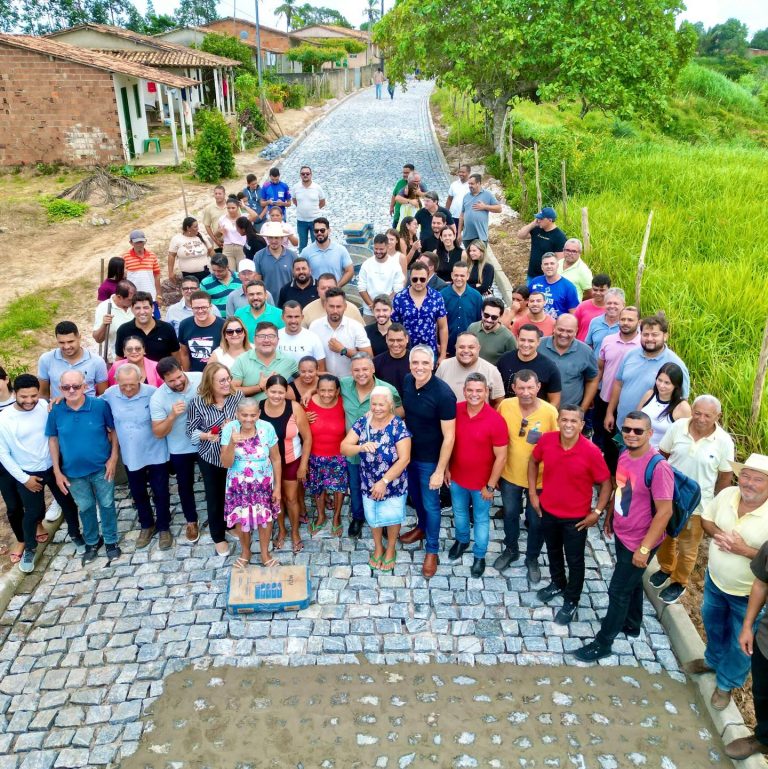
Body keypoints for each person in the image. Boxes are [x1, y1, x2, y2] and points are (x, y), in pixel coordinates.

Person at [574, 411, 674, 663]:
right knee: (633, 582)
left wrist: (644, 549)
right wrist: (610, 515)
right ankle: (631, 623)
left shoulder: (658, 467)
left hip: (640, 540)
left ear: (650, 434)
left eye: (638, 431)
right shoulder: (624, 453)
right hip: (623, 531)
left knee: (618, 590)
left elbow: (665, 512)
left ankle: (603, 643)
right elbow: (622, 487)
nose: (631, 434)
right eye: (627, 429)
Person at [691, 454, 768, 711]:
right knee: (713, 625)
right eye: (745, 475)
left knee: (741, 644)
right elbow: (707, 519)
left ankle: (725, 684)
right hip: (715, 581)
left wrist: (743, 550)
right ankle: (712, 660)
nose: (748, 483)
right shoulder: (728, 495)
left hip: (748, 595)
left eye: (758, 479)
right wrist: (719, 534)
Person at [529, 405, 612, 624]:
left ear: (582, 425)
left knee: (575, 560)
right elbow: (533, 461)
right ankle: (557, 582)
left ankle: (572, 599)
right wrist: (533, 493)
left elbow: (606, 484)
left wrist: (597, 512)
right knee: (553, 551)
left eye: (573, 421)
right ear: (558, 421)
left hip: (576, 519)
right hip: (548, 511)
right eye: (564, 420)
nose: (568, 424)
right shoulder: (547, 440)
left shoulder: (591, 452)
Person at [651, 395, 734, 604]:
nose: (701, 419)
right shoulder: (678, 427)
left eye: (707, 415)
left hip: (698, 505)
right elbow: (663, 455)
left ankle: (679, 582)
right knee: (665, 537)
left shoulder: (724, 442)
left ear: (717, 416)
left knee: (688, 547)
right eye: (697, 413)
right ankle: (665, 568)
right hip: (670, 497)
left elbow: (725, 477)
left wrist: (716, 507)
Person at [0, 374, 84, 573]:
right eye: (24, 397)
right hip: (29, 474)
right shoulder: (4, 419)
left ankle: (75, 534)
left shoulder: (44, 406)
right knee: (33, 512)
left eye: (33, 396)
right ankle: (30, 548)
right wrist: (24, 479)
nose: (29, 401)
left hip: (53, 467)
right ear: (15, 393)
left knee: (68, 503)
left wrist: (62, 398)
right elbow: (3, 454)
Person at [47, 370, 120, 563]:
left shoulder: (100, 406)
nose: (71, 390)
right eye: (66, 387)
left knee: (107, 504)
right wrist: (57, 471)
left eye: (76, 386)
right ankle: (92, 541)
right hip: (73, 472)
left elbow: (113, 431)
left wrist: (113, 458)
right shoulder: (55, 410)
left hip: (101, 467)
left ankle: (111, 540)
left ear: (85, 386)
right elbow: (53, 440)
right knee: (85, 507)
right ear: (60, 388)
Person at [399, 345, 457, 578]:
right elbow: (406, 411)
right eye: (415, 362)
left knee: (432, 505)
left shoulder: (444, 394)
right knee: (416, 498)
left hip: (430, 460)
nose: (419, 367)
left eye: (425, 363)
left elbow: (449, 436)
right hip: (408, 455)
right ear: (410, 364)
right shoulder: (407, 381)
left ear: (433, 364)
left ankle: (432, 550)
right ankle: (421, 528)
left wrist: (440, 470)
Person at [495, 370, 558, 580]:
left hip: (539, 479)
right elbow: (496, 436)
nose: (526, 392)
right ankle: (511, 549)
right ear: (513, 388)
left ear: (538, 387)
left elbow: (557, 445)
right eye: (521, 388)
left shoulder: (549, 412)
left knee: (536, 520)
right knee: (510, 514)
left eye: (530, 387)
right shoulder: (505, 406)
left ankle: (532, 558)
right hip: (510, 474)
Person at [102, 365, 173, 550]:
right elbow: (93, 405)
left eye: (132, 385)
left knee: (161, 491)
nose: (127, 389)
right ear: (117, 381)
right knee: (138, 492)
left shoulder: (153, 392)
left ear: (140, 379)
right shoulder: (110, 394)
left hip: (156, 450)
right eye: (123, 385)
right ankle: (147, 524)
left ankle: (164, 526)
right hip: (131, 453)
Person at [342, 386, 411, 571]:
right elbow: (344, 447)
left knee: (393, 517)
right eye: (374, 404)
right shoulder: (363, 422)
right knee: (373, 517)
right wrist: (360, 447)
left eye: (382, 404)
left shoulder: (397, 425)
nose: (377, 408)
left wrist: (384, 482)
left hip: (393, 483)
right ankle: (378, 547)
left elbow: (405, 459)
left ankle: (391, 548)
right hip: (369, 482)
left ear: (390, 405)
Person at [447, 372, 508, 577]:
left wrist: (490, 485)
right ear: (464, 391)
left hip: (482, 484)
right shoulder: (455, 411)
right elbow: (448, 441)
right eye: (470, 390)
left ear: (486, 392)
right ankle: (462, 540)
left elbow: (501, 457)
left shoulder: (496, 420)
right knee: (459, 512)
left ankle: (479, 555)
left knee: (481, 519)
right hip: (457, 478)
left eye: (479, 391)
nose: (474, 394)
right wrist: (446, 468)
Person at [339, 353, 402, 538]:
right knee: (355, 485)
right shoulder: (343, 385)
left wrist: (382, 413)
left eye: (365, 369)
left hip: (379, 452)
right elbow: (321, 384)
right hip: (353, 448)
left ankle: (384, 521)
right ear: (351, 372)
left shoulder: (387, 389)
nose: (361, 373)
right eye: (356, 370)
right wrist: (309, 393)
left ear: (373, 369)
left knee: (381, 484)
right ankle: (358, 517)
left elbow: (401, 410)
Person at [187, 362, 243, 557]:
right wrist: (208, 435)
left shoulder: (237, 397)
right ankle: (218, 536)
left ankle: (231, 525)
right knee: (215, 497)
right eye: (222, 381)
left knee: (233, 493)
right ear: (210, 382)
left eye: (228, 379)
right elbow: (190, 432)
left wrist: (235, 425)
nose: (227, 383)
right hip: (210, 457)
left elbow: (246, 420)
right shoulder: (197, 403)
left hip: (234, 454)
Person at [604, 313, 690, 439]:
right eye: (645, 334)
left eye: (655, 335)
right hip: (622, 424)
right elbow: (619, 384)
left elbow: (682, 399)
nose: (649, 338)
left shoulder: (676, 365)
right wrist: (610, 412)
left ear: (665, 336)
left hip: (650, 436)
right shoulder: (630, 355)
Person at [221, 397, 282, 568]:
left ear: (259, 414)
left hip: (263, 484)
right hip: (238, 485)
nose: (249, 419)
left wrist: (277, 487)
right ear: (237, 414)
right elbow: (226, 463)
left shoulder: (267, 428)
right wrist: (232, 443)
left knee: (265, 518)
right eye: (244, 415)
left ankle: (265, 553)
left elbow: (276, 459)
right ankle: (245, 552)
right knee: (240, 518)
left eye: (253, 415)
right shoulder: (229, 429)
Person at [150, 357, 202, 544]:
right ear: (163, 379)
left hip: (205, 441)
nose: (178, 382)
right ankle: (191, 521)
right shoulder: (158, 398)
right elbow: (158, 432)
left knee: (214, 481)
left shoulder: (200, 378)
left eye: (179, 377)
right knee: (184, 485)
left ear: (182, 368)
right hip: (180, 447)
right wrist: (172, 416)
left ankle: (222, 518)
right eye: (171, 381)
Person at [724, 541, 768, 760]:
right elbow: (761, 584)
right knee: (762, 693)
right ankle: (764, 739)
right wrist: (747, 626)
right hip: (766, 642)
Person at [259, 375, 311, 553]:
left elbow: (307, 438)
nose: (276, 396)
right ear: (266, 391)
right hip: (268, 464)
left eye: (281, 392)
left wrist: (303, 465)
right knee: (276, 498)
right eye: (273, 391)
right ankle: (282, 530)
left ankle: (295, 532)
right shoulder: (259, 408)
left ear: (286, 392)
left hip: (291, 460)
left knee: (291, 498)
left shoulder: (294, 407)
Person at [594, 306, 641, 468]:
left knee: (624, 443)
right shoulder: (608, 340)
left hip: (629, 404)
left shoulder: (642, 345)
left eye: (630, 320)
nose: (626, 323)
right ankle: (606, 473)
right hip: (605, 399)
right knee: (605, 440)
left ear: (638, 322)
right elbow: (600, 368)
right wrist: (594, 392)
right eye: (623, 319)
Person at [305, 373, 348, 535]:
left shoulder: (343, 403)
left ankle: (337, 517)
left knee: (339, 488)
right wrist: (303, 418)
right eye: (322, 390)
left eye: (331, 390)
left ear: (337, 391)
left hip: (338, 455)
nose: (326, 394)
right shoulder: (307, 403)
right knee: (318, 488)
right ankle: (321, 516)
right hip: (315, 456)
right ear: (317, 390)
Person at [538, 314, 598, 412]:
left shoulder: (586, 352)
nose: (564, 334)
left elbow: (592, 380)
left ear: (576, 331)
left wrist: (582, 409)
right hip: (539, 411)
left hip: (569, 413)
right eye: (560, 329)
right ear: (554, 327)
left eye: (569, 331)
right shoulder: (538, 345)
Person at [391, 261, 448, 365]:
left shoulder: (436, 297)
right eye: (414, 279)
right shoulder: (399, 298)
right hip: (405, 352)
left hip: (430, 351)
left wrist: (443, 355)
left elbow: (443, 327)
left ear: (428, 278)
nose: (418, 282)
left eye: (422, 279)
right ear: (410, 278)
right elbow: (394, 327)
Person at [309, 288, 371, 378]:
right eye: (331, 306)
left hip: (351, 381)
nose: (335, 311)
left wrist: (343, 350)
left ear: (345, 306)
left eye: (338, 307)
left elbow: (368, 357)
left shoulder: (356, 327)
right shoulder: (314, 326)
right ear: (325, 305)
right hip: (324, 382)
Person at [38, 321, 108, 399]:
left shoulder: (97, 362)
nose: (67, 346)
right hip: (58, 406)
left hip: (89, 406)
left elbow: (103, 396)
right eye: (61, 342)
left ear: (79, 337)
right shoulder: (46, 359)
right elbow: (43, 395)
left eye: (70, 341)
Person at [231, 321, 299, 401]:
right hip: (251, 408)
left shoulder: (289, 361)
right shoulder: (242, 360)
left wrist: (308, 392)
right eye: (261, 336)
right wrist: (259, 387)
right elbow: (231, 390)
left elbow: (306, 380)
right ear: (254, 339)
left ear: (278, 340)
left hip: (281, 408)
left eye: (271, 336)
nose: (266, 340)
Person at [497, 324, 562, 404]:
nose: (526, 344)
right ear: (517, 339)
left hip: (537, 411)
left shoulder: (549, 367)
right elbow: (496, 393)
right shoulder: (504, 360)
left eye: (531, 341)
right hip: (508, 410)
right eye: (522, 340)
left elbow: (555, 401)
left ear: (538, 342)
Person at [436, 332, 504, 406]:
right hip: (448, 413)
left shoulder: (491, 370)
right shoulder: (444, 366)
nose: (466, 351)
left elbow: (499, 403)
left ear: (478, 348)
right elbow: (434, 393)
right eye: (461, 347)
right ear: (455, 348)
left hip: (478, 413)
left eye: (471, 347)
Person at [0, 369, 24, 564]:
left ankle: (38, 525)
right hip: (3, 463)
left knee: (33, 497)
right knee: (13, 505)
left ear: (6, 379)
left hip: (26, 458)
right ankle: (22, 539)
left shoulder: (22, 398)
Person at [115, 292, 180, 363]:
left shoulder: (167, 329)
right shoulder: (123, 330)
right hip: (134, 370)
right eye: (137, 308)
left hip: (162, 370)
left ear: (153, 308)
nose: (142, 312)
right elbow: (119, 359)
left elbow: (176, 358)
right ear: (132, 309)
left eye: (146, 308)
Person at [637, 362, 691, 448]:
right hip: (637, 448)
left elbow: (686, 439)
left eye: (667, 383)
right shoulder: (649, 394)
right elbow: (635, 419)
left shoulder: (682, 407)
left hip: (659, 453)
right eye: (659, 380)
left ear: (676, 385)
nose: (661, 385)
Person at [357, 234, 405, 322]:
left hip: (388, 311)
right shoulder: (367, 264)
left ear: (387, 247)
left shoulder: (395, 265)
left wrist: (383, 306)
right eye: (376, 249)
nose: (378, 251)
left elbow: (398, 288)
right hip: (369, 311)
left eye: (381, 249)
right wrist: (372, 306)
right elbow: (361, 287)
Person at [441, 261, 483, 356]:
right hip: (447, 348)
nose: (459, 278)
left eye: (462, 276)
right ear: (452, 275)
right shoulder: (442, 295)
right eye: (456, 275)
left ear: (467, 276)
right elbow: (437, 323)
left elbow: (479, 322)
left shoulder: (476, 297)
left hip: (468, 349)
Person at [177, 290, 225, 373]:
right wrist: (187, 374)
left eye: (204, 307)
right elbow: (184, 353)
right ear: (191, 307)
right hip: (195, 374)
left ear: (211, 307)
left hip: (217, 373)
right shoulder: (184, 325)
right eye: (196, 308)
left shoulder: (223, 325)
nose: (200, 311)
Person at [517, 206, 568, 280]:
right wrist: (533, 224)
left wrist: (551, 278)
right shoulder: (537, 229)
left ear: (550, 220)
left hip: (546, 277)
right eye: (538, 218)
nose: (538, 220)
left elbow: (560, 261)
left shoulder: (559, 237)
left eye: (541, 218)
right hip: (532, 275)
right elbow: (520, 235)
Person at [253, 221, 297, 303]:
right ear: (267, 238)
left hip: (288, 300)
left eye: (276, 237)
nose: (273, 241)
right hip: (267, 301)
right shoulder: (258, 256)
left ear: (282, 238)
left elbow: (296, 280)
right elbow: (258, 281)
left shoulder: (292, 256)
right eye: (271, 237)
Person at [93, 279, 136, 362]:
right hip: (118, 358)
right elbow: (98, 339)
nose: (133, 302)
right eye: (130, 300)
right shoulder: (103, 308)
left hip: (139, 354)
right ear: (119, 297)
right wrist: (104, 325)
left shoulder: (136, 304)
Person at [301, 218, 354, 286]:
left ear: (329, 231)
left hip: (335, 290)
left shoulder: (340, 250)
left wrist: (337, 286)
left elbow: (350, 271)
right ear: (313, 232)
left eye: (322, 230)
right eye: (316, 231)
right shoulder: (306, 252)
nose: (319, 233)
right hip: (315, 291)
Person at [466, 297, 517, 365]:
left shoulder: (508, 337)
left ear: (500, 316)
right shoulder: (472, 328)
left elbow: (513, 361)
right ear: (481, 312)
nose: (489, 320)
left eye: (494, 317)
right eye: (486, 315)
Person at [528, 253, 579, 319]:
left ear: (557, 265)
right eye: (546, 264)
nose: (549, 266)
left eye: (552, 263)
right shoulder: (535, 282)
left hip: (557, 323)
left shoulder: (568, 287)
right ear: (542, 267)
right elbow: (526, 303)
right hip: (536, 322)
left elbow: (573, 314)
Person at [457, 173, 502, 248]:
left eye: (472, 184)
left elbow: (499, 209)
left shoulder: (487, 195)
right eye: (469, 184)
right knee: (469, 255)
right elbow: (461, 216)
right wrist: (459, 234)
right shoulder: (466, 196)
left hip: (481, 236)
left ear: (478, 183)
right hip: (467, 237)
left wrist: (485, 207)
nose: (470, 186)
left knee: (480, 255)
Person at [277, 301, 326, 368]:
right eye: (289, 317)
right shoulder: (274, 337)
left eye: (296, 316)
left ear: (302, 317)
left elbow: (321, 368)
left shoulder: (313, 338)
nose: (293, 321)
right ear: (282, 317)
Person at [123, 230, 163, 311]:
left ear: (145, 241)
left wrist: (159, 295)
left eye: (141, 242)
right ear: (131, 243)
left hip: (151, 296)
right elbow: (123, 278)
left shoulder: (152, 256)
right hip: (133, 297)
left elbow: (157, 275)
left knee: (155, 318)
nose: (139, 244)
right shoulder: (125, 257)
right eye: (137, 242)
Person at [168, 216, 213, 283]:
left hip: (205, 272)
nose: (198, 228)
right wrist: (170, 272)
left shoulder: (202, 236)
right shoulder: (177, 239)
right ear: (188, 228)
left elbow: (211, 251)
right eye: (195, 227)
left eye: (197, 226)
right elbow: (171, 255)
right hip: (188, 275)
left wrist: (218, 263)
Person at [293, 166, 326, 251]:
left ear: (311, 175)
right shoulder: (296, 187)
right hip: (301, 221)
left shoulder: (317, 187)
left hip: (315, 221)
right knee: (302, 244)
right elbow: (294, 200)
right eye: (303, 174)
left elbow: (322, 202)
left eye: (307, 174)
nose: (305, 175)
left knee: (316, 243)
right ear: (300, 175)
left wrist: (314, 210)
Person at [373, 323, 410, 397]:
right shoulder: (376, 362)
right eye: (391, 340)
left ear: (407, 339)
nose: (395, 344)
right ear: (386, 339)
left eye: (399, 340)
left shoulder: (415, 361)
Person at [584, 286, 624, 352]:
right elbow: (588, 345)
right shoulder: (595, 322)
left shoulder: (627, 325)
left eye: (616, 303)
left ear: (623, 305)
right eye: (609, 303)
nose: (612, 306)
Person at [572, 274, 611, 342]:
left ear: (609, 290)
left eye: (602, 290)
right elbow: (573, 327)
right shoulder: (582, 306)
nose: (598, 293)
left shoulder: (612, 308)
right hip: (581, 346)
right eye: (595, 290)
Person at [217, 197, 248, 271]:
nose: (230, 210)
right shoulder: (222, 219)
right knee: (230, 271)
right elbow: (217, 235)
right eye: (228, 208)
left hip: (241, 247)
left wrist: (244, 206)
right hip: (228, 248)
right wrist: (220, 232)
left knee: (242, 271)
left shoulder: (244, 217)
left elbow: (255, 216)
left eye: (233, 208)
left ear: (238, 207)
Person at [390, 163, 424, 228]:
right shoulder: (400, 183)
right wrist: (391, 207)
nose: (404, 175)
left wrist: (420, 194)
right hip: (398, 216)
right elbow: (395, 195)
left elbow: (428, 196)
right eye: (403, 173)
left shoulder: (420, 184)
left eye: (407, 173)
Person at [202, 184, 227, 251]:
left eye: (220, 193)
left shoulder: (231, 206)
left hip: (232, 243)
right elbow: (207, 226)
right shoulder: (209, 208)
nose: (217, 195)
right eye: (216, 194)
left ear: (224, 194)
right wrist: (215, 241)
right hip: (218, 244)